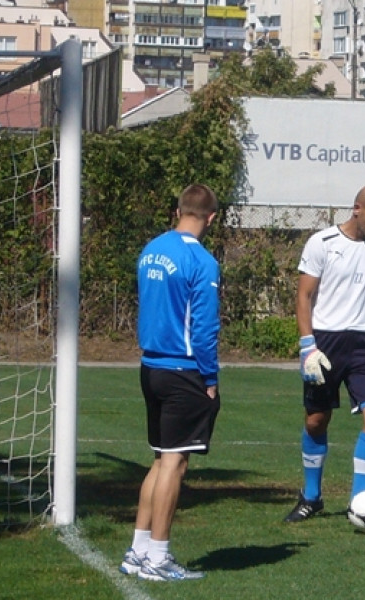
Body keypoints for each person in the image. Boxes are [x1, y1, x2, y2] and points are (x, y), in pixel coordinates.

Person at [283, 183, 365, 525]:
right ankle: (311, 497)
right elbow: (304, 296)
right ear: (357, 209)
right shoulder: (322, 243)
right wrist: (308, 345)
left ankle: (360, 502)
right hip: (325, 342)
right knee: (316, 420)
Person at [119, 183, 222, 582]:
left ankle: (138, 549)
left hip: (151, 366)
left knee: (161, 459)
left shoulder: (151, 249)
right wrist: (209, 378)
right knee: (175, 464)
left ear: (178, 209)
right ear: (211, 217)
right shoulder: (202, 261)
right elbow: (205, 326)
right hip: (183, 370)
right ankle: (158, 557)